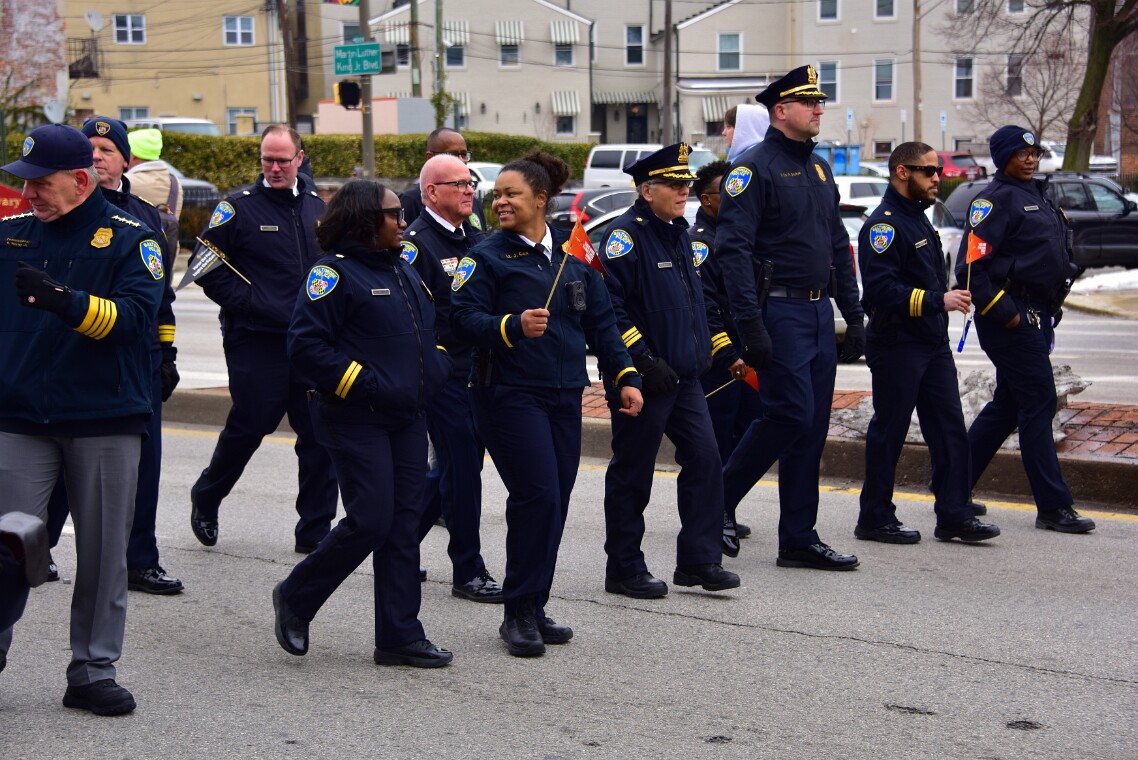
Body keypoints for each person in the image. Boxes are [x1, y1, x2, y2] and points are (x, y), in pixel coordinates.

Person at [451, 150, 643, 657]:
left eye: (512, 193)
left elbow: (604, 327)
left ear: (541, 199)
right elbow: (460, 319)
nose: (501, 201)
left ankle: (535, 604)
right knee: (536, 496)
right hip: (507, 395)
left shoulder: (571, 262)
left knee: (553, 502)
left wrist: (625, 376)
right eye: (498, 194)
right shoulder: (484, 257)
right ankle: (516, 613)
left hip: (564, 396)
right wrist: (510, 327)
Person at [0, 123, 165, 715]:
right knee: (8, 543)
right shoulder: (9, 236)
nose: (29, 196)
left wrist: (63, 301)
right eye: (23, 185)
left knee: (100, 553)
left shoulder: (129, 238)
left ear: (80, 179)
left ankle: (92, 669)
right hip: (19, 415)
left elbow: (134, 321)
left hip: (103, 416)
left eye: (40, 185)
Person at [272, 180, 454, 668]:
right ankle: (296, 594)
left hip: (407, 417)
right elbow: (307, 349)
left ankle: (398, 635)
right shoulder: (332, 275)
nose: (402, 221)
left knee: (401, 524)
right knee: (371, 519)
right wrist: (368, 385)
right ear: (364, 222)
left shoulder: (405, 268)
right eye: (393, 214)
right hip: (355, 417)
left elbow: (435, 329)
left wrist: (433, 367)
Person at [714, 65, 865, 570]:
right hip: (776, 309)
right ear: (782, 110)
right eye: (810, 102)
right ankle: (716, 501)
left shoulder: (820, 169)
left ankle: (798, 537)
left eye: (820, 101)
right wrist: (749, 324)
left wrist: (854, 311)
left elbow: (838, 245)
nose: (819, 108)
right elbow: (732, 252)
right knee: (790, 414)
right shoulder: (752, 169)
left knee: (812, 427)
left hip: (818, 310)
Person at [599, 143, 740, 600]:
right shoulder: (625, 237)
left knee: (705, 458)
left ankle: (699, 560)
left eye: (687, 185)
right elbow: (611, 311)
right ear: (647, 190)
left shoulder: (679, 234)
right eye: (675, 185)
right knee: (633, 471)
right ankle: (623, 567)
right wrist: (642, 361)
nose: (685, 192)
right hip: (645, 379)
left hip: (686, 377)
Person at [190, 125, 338, 552]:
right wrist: (254, 303)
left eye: (282, 160)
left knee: (318, 435)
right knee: (251, 424)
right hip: (256, 340)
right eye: (267, 160)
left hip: (309, 343)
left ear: (300, 158)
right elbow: (204, 268)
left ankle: (314, 530)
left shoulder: (317, 209)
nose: (274, 168)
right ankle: (208, 494)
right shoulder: (237, 209)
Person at [856, 142, 1001, 544]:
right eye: (928, 171)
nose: (937, 178)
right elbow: (881, 292)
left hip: (931, 342)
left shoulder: (918, 219)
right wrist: (939, 300)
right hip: (898, 343)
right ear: (902, 172)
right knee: (890, 431)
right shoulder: (884, 225)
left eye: (937, 171)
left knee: (949, 428)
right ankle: (874, 516)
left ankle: (954, 513)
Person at [954, 125, 1095, 534]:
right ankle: (1053, 506)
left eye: (1034, 153)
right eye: (1021, 154)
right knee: (1039, 402)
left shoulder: (1035, 196)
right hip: (1011, 319)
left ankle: (952, 485)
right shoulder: (992, 201)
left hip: (1037, 314)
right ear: (1004, 158)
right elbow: (971, 271)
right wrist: (1008, 313)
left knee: (1008, 406)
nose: (1031, 159)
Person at [75, 116, 185, 594]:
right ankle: (36, 548)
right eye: (90, 148)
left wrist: (166, 353)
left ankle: (140, 560)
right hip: (79, 357)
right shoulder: (70, 212)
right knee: (62, 466)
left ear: (125, 158)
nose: (97, 155)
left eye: (106, 148)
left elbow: (162, 297)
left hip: (137, 363)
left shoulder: (146, 217)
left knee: (146, 464)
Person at [401, 154, 502, 603]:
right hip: (444, 376)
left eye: (470, 183)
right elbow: (411, 317)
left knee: (448, 471)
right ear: (431, 193)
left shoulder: (474, 239)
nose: (469, 190)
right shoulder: (416, 245)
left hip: (480, 372)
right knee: (462, 470)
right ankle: (468, 569)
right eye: (458, 183)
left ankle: (396, 541)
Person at [690, 159, 762, 557]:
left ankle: (726, 504)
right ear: (708, 200)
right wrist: (730, 352)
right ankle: (713, 516)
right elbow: (707, 307)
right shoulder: (702, 242)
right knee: (716, 437)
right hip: (721, 357)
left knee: (745, 429)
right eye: (729, 193)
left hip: (747, 354)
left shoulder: (738, 235)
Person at [399, 127, 487, 231]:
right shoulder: (412, 200)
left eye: (463, 154)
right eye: (452, 155)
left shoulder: (471, 200)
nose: (461, 160)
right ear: (430, 157)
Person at [125, 127, 183, 248]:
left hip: (135, 253)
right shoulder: (174, 182)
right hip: (167, 255)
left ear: (133, 155)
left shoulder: (128, 182)